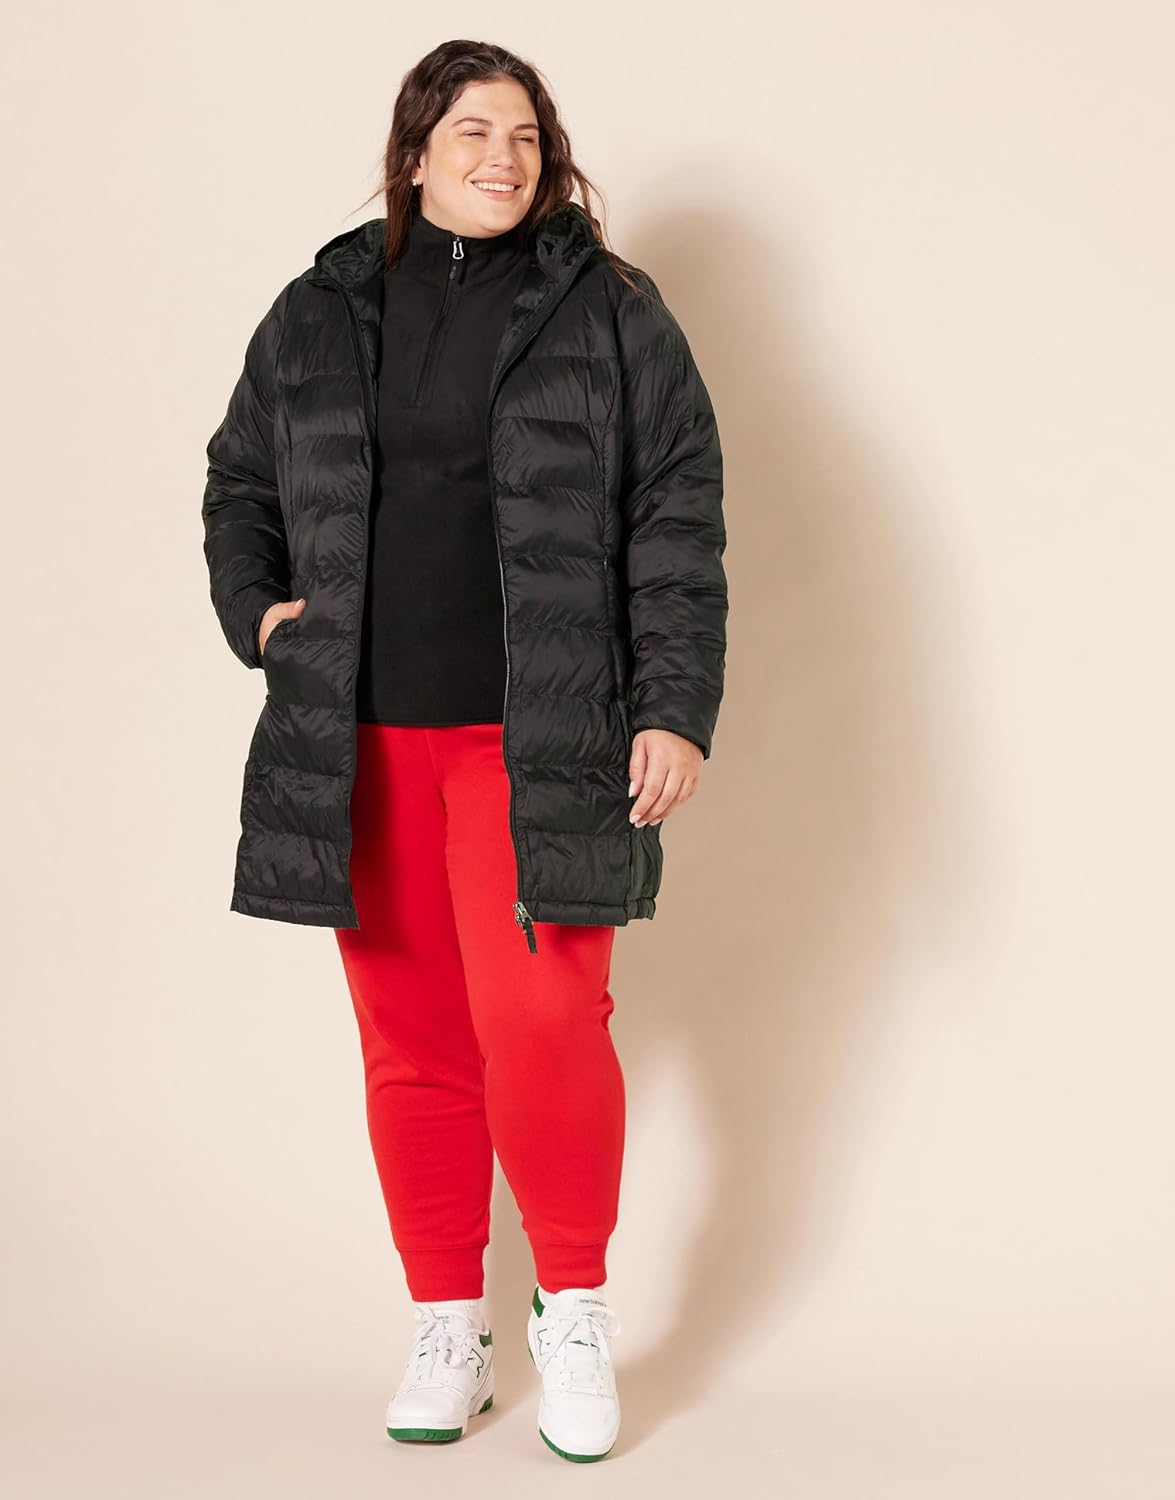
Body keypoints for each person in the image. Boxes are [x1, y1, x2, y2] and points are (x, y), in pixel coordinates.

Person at [200, 39, 727, 1459]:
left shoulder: (614, 313)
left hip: (541, 735)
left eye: (526, 134)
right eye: (475, 131)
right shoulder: (319, 310)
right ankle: (448, 1323)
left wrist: (672, 706)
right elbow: (241, 477)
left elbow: (676, 511)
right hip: (360, 735)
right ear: (416, 150)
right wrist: (262, 612)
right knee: (412, 1042)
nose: (504, 157)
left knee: (547, 1022)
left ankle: (574, 1308)